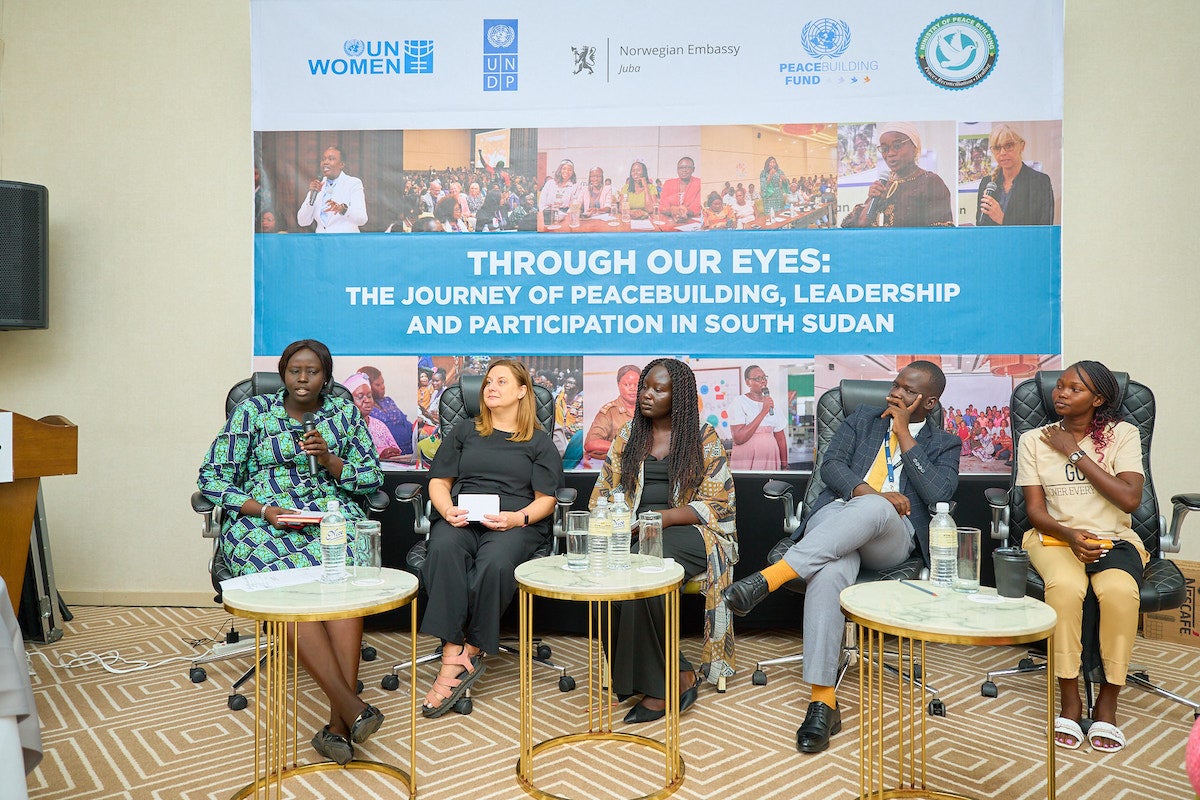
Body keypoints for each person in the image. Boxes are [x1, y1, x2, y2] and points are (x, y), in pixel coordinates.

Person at [722, 361, 960, 753]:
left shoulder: (943, 443)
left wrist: (903, 435)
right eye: (894, 385)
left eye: (907, 390)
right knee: (831, 569)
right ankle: (822, 702)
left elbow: (938, 495)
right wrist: (869, 492)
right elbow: (831, 467)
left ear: (929, 403)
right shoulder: (861, 419)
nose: (894, 394)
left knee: (880, 511)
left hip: (891, 541)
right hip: (838, 521)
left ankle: (771, 577)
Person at [197, 339, 385, 765]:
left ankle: (339, 727)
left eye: (313, 371)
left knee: (345, 586)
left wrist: (333, 461)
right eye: (295, 371)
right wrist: (265, 510)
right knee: (289, 585)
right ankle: (352, 707)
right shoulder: (252, 412)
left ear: (326, 377)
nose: (303, 379)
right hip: (264, 518)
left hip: (330, 515)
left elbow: (372, 476)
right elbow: (212, 478)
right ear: (283, 374)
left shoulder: (343, 413)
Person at [590, 359, 737, 723]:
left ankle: (662, 687)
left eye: (659, 389)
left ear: (681, 397)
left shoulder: (702, 437)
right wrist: (618, 520)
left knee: (646, 565)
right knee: (612, 569)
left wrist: (662, 518)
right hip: (634, 531)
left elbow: (719, 503)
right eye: (645, 387)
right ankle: (675, 673)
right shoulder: (627, 436)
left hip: (692, 531)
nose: (647, 395)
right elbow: (601, 495)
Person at [419, 359, 565, 717]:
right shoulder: (466, 431)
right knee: (442, 547)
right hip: (463, 517)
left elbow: (547, 498)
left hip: (516, 522)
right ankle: (454, 649)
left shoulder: (538, 441)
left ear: (522, 392)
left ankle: (472, 647)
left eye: (501, 381)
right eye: (487, 382)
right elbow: (439, 481)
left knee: (495, 562)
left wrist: (518, 517)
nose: (490, 387)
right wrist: (446, 508)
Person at [1017, 361, 1145, 753]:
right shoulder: (1033, 439)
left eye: (1075, 389)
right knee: (1065, 588)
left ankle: (1108, 703)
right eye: (1060, 386)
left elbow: (1129, 498)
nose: (1061, 393)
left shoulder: (1122, 434)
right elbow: (1036, 512)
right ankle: (1070, 700)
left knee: (1121, 594)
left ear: (1099, 399)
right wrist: (1071, 535)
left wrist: (1074, 453)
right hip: (1054, 538)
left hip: (1115, 540)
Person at [841, 123, 952, 228]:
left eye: (897, 146)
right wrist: (871, 200)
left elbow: (939, 234)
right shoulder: (884, 184)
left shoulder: (930, 182)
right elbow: (858, 225)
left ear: (914, 148)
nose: (890, 154)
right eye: (884, 149)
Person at [976, 123, 1055, 226]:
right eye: (997, 147)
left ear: (1022, 146)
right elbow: (980, 226)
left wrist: (1003, 219)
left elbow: (1044, 230)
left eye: (1009, 146)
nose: (1003, 152)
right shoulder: (986, 183)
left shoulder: (1040, 182)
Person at [728, 365, 788, 470]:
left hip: (770, 459)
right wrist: (763, 411)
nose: (763, 381)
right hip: (746, 460)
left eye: (764, 378)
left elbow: (781, 438)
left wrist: (784, 465)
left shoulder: (772, 404)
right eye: (758, 379)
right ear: (748, 382)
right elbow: (738, 438)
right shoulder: (739, 402)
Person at [296, 146, 367, 233]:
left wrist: (342, 209)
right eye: (323, 159)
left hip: (345, 243)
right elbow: (302, 222)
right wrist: (311, 196)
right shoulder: (317, 186)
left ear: (342, 164)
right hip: (322, 243)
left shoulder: (353, 183)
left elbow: (362, 219)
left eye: (331, 159)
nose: (325, 162)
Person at [584, 364, 641, 464]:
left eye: (636, 384)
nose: (633, 389)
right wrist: (625, 447)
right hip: (617, 466)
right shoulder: (609, 412)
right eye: (627, 384)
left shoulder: (650, 409)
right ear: (619, 385)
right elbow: (591, 443)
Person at [356, 366, 415, 461]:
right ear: (368, 386)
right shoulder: (364, 410)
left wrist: (419, 428)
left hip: (412, 450)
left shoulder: (388, 401)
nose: (383, 387)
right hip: (391, 456)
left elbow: (406, 423)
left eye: (382, 383)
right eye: (378, 385)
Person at [344, 372, 402, 460]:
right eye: (360, 397)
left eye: (369, 396)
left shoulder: (379, 425)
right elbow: (346, 457)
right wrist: (380, 453)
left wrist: (392, 452)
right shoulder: (343, 427)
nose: (367, 400)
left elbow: (396, 452)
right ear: (348, 400)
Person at [658, 156, 701, 222]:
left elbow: (696, 208)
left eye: (687, 167)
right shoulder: (668, 183)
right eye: (681, 168)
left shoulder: (699, 183)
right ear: (677, 170)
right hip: (669, 221)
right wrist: (672, 210)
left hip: (691, 221)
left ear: (693, 169)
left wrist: (685, 211)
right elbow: (662, 207)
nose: (684, 170)